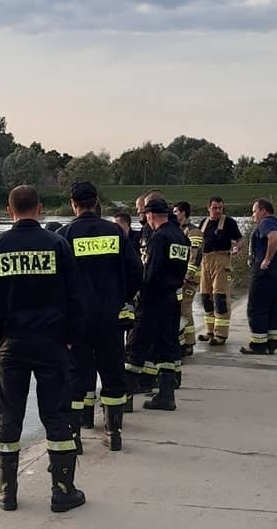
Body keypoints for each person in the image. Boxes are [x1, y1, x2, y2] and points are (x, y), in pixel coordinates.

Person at [0, 183, 86, 513]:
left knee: (9, 415)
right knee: (57, 415)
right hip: (53, 343)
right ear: (39, 209)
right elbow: (76, 297)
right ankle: (62, 490)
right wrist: (69, 336)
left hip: (13, 343)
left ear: (9, 211)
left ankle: (6, 491)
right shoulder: (57, 244)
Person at [60, 181, 142, 452]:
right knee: (112, 373)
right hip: (110, 317)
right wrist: (122, 298)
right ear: (96, 201)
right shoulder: (116, 233)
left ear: (73, 203)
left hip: (77, 320)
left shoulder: (64, 235)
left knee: (76, 377)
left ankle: (75, 436)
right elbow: (135, 271)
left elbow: (57, 281)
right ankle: (113, 432)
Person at [125, 195, 189, 412]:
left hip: (152, 300)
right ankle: (166, 395)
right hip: (172, 298)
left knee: (136, 346)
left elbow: (150, 273)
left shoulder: (159, 238)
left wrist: (136, 293)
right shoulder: (180, 236)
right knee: (167, 347)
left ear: (151, 215)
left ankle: (124, 398)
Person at [240, 200, 277, 355]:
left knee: (257, 307)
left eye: (254, 211)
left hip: (265, 271)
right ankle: (272, 342)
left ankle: (258, 344)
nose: (253, 215)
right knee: (273, 307)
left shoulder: (266, 223)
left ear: (263, 210)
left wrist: (267, 259)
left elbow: (274, 238)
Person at [198, 196, 243, 345]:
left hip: (221, 260)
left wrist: (237, 248)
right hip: (205, 261)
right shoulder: (203, 223)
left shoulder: (229, 223)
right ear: (208, 208)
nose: (218, 211)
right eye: (215, 208)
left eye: (220, 208)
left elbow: (240, 240)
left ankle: (221, 334)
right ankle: (209, 331)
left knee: (220, 297)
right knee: (206, 297)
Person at [173, 201, 204, 356]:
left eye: (176, 212)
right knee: (179, 309)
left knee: (185, 308)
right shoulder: (178, 230)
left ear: (183, 213)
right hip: (180, 276)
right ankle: (183, 340)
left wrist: (188, 275)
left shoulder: (194, 232)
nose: (174, 215)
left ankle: (189, 343)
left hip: (190, 278)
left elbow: (196, 256)